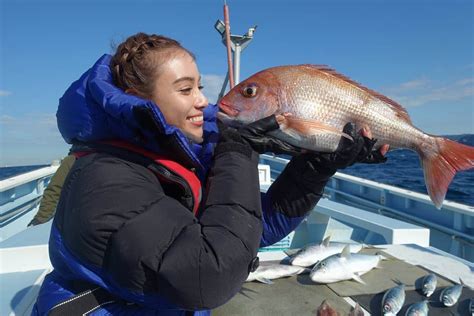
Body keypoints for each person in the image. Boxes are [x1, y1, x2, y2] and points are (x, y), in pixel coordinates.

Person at [33, 32, 388, 315]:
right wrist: (238, 148)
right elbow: (207, 277)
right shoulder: (106, 178)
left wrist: (316, 166)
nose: (202, 100)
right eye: (186, 89)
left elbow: (248, 232)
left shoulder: (170, 160)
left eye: (200, 87)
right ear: (137, 99)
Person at [28, 155, 76, 226]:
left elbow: (54, 190)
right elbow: (55, 189)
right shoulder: (73, 160)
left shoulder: (72, 159)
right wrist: (41, 218)